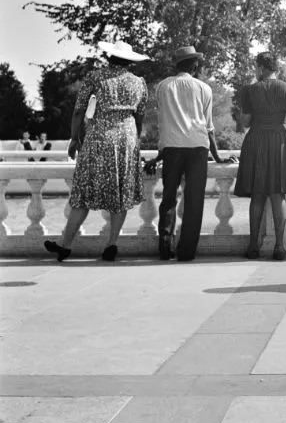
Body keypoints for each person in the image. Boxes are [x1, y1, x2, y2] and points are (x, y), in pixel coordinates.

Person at [44, 41, 149, 262]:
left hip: (98, 138)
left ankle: (66, 245)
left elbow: (79, 111)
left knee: (83, 193)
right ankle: (112, 244)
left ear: (109, 57)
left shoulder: (95, 77)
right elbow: (140, 117)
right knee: (120, 193)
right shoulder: (139, 82)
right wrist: (134, 140)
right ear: (130, 60)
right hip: (127, 139)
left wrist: (74, 139)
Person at [148, 46, 227, 262]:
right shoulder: (204, 88)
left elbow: (163, 123)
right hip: (197, 149)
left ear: (177, 64)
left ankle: (165, 248)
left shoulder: (162, 87)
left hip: (172, 148)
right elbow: (208, 127)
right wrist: (217, 157)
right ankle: (186, 252)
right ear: (194, 65)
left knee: (169, 198)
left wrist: (160, 154)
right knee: (194, 201)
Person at [234, 52, 286, 260]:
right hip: (281, 142)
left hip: (256, 141)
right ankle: (279, 247)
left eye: (256, 67)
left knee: (258, 195)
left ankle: (253, 246)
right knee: (277, 194)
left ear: (261, 68)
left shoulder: (249, 90)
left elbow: (245, 122)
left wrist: (244, 112)